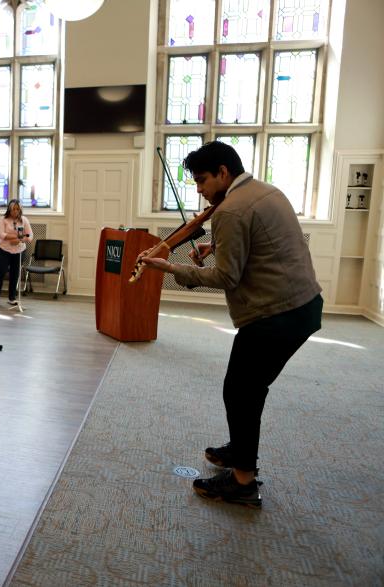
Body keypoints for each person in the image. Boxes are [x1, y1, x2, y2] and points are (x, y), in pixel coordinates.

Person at [137, 141, 323, 508]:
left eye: (203, 180)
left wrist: (171, 268)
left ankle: (242, 482)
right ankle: (239, 450)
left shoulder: (230, 211)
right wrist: (215, 247)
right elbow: (262, 245)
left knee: (241, 392)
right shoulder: (264, 190)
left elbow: (227, 278)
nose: (199, 189)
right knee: (245, 388)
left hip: (276, 313)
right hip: (301, 305)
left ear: (224, 172)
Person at [0, 199, 33, 306]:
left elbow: (29, 236)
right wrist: (16, 237)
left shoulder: (24, 220)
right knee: (0, 273)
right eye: (13, 209)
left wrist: (20, 240)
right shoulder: (3, 219)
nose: (15, 211)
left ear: (20, 210)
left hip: (19, 250)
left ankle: (12, 297)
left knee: (15, 274)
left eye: (17, 209)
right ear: (9, 209)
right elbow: (0, 234)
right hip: (4, 250)